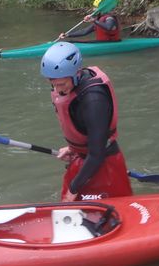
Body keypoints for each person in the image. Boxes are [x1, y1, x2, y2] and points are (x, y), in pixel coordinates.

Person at [40, 42, 132, 202]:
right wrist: (73, 148)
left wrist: (73, 189)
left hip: (104, 165)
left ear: (76, 74)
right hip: (83, 160)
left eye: (61, 84)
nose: (58, 90)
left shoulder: (94, 100)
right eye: (53, 84)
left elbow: (97, 154)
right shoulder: (66, 86)